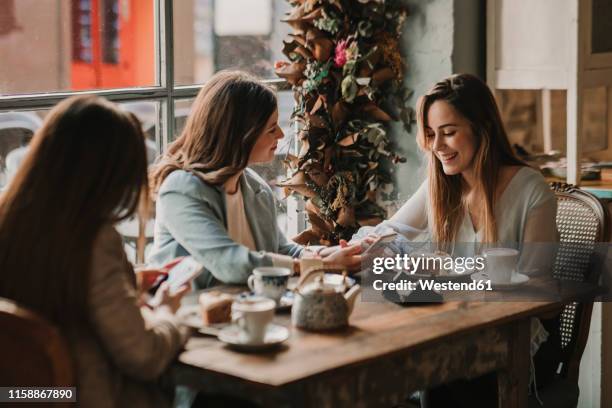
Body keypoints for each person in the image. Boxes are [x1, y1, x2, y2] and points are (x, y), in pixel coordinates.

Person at [355, 74, 561, 407]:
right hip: (460, 330)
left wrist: (457, 280)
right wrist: (365, 250)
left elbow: (541, 293)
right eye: (431, 135)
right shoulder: (442, 186)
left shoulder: (530, 190)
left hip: (522, 341)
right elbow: (387, 234)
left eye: (449, 133)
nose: (437, 147)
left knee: (443, 374)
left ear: (484, 128)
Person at [0, 95, 190, 408]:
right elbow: (143, 355)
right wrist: (171, 313)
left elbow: (53, 290)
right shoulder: (90, 238)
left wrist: (126, 284)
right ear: (107, 174)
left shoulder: (13, 217)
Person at [149, 70, 361, 289]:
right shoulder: (180, 190)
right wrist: (322, 264)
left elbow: (281, 251)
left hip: (248, 310)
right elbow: (230, 264)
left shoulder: (254, 187)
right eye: (271, 128)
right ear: (239, 135)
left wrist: (337, 252)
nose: (280, 134)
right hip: (191, 314)